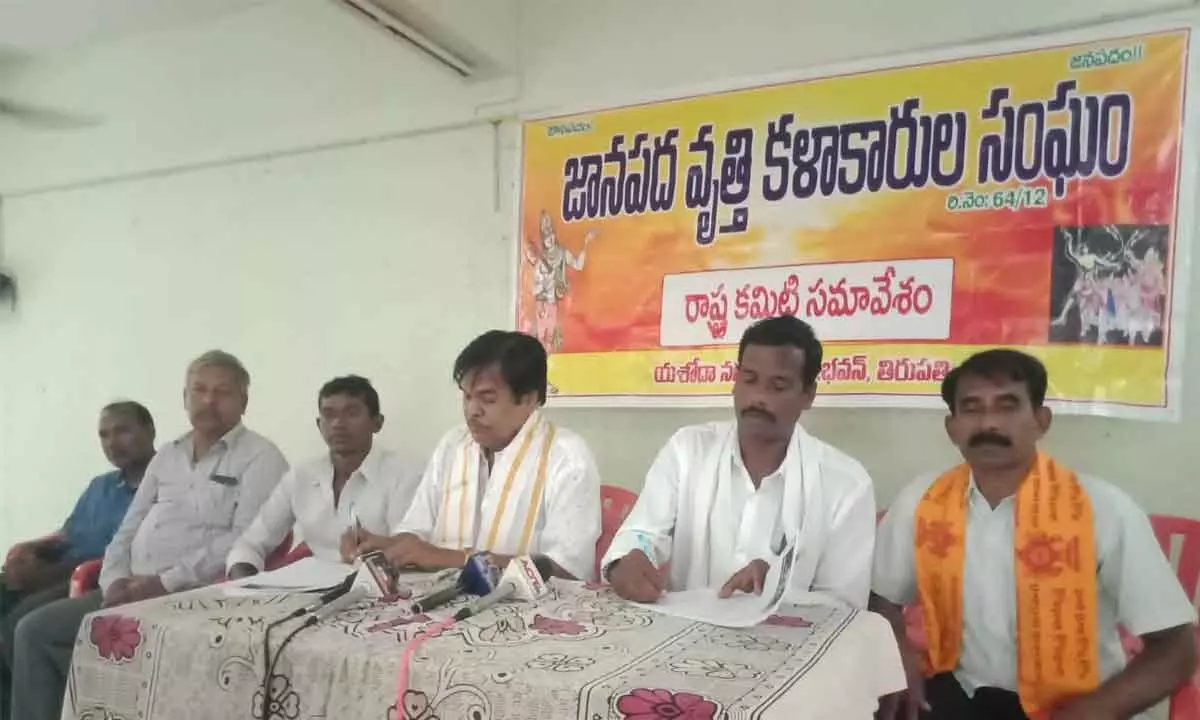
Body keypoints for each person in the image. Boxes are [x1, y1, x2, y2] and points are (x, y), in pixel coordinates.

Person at [871, 349, 1196, 720]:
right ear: (952, 427)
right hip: (958, 691)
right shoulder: (921, 501)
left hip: (1078, 703)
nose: (988, 423)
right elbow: (882, 601)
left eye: (1008, 406)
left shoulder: (1102, 509)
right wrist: (898, 658)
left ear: (1041, 421)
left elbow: (1176, 649)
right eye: (972, 408)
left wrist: (1090, 713)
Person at [9, 350, 289, 720]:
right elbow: (127, 528)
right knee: (34, 631)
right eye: (199, 390)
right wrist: (113, 582)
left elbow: (246, 539)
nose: (209, 400)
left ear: (244, 401)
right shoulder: (168, 456)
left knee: (88, 648)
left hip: (197, 597)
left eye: (222, 392)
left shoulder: (261, 457)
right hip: (127, 593)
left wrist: (164, 582)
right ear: (184, 398)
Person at [601, 315, 877, 608]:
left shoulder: (846, 484)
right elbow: (642, 534)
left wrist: (778, 590)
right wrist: (628, 560)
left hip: (786, 648)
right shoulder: (688, 449)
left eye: (778, 386)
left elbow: (845, 606)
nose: (758, 397)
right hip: (683, 638)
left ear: (808, 394)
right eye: (749, 379)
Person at [361, 330, 601, 581]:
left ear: (528, 398)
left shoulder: (567, 457)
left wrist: (450, 559)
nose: (472, 411)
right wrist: (389, 545)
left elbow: (567, 569)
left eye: (487, 398)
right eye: (466, 396)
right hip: (441, 602)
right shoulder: (453, 445)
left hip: (524, 612)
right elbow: (418, 529)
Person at [0, 401, 155, 720]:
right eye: (104, 435)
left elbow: (129, 555)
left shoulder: (163, 484)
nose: (112, 442)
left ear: (149, 430)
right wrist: (27, 549)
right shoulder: (100, 486)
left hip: (94, 578)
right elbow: (67, 534)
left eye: (122, 430)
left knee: (18, 625)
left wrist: (45, 574)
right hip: (60, 567)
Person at [226, 375, 419, 577]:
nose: (338, 424)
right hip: (310, 592)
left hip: (378, 590)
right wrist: (245, 586)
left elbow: (407, 554)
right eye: (329, 415)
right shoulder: (301, 476)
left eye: (351, 413)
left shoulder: (404, 475)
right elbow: (250, 544)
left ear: (377, 423)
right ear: (319, 425)